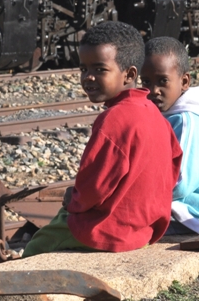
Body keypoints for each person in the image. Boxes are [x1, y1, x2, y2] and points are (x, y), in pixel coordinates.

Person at [22, 22, 182, 256]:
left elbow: (94, 187)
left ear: (129, 74)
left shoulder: (114, 119)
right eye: (84, 69)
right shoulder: (155, 115)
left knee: (36, 247)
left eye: (99, 69)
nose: (88, 77)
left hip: (106, 230)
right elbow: (174, 167)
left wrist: (73, 201)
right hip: (143, 230)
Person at [141, 37, 199, 235]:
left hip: (187, 217)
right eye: (146, 82)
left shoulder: (189, 121)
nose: (153, 90)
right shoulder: (168, 115)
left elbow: (180, 182)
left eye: (163, 81)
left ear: (185, 81)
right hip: (170, 209)